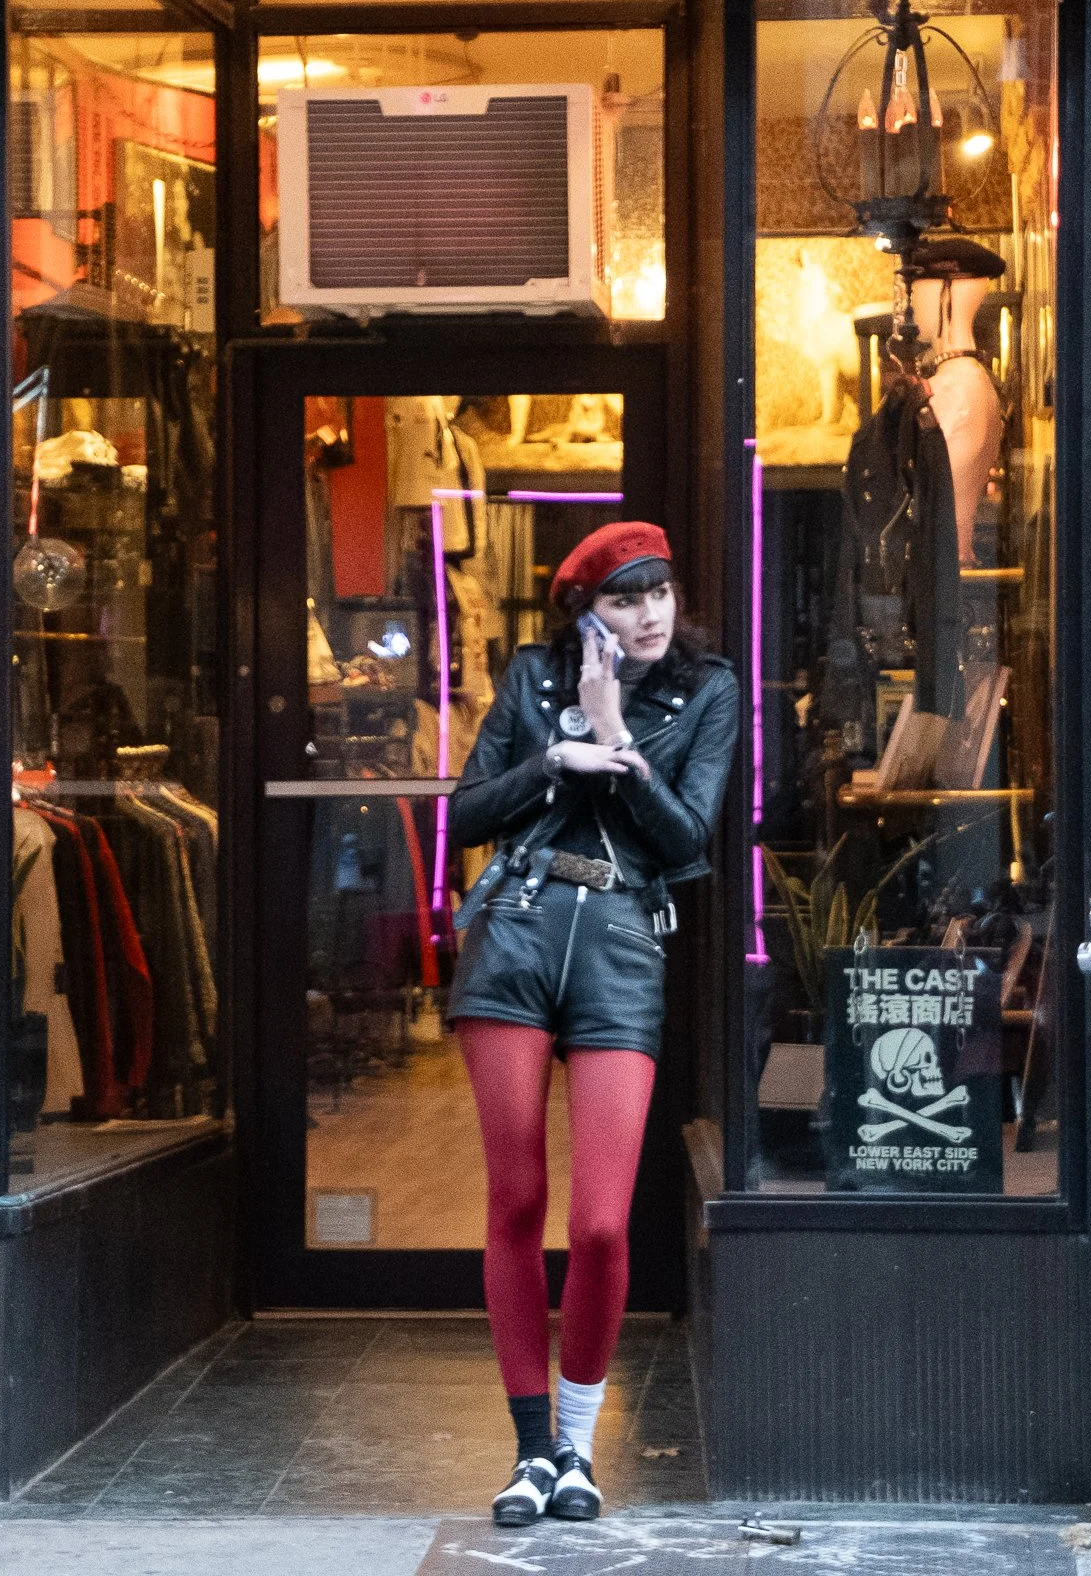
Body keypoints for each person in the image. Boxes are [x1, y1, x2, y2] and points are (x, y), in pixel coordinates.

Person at [445, 520, 738, 1527]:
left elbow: (688, 839)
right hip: (514, 932)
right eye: (623, 597)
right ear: (584, 611)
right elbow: (464, 812)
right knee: (515, 1196)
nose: (648, 611)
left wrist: (615, 736)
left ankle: (577, 1435)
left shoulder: (709, 688)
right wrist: (551, 758)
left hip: (619, 939)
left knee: (601, 1219)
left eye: (658, 590)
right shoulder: (530, 675)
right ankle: (533, 1451)